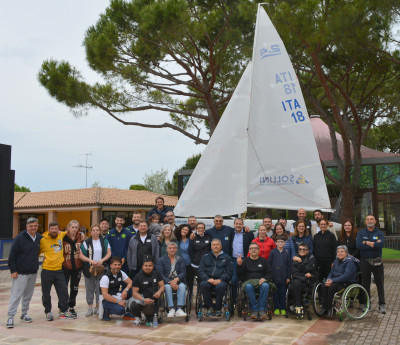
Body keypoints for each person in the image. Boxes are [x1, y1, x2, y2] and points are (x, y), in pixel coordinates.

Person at [6, 217, 43, 328]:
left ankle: (24, 314)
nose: (33, 228)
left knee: (28, 295)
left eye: (35, 226)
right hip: (20, 273)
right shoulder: (19, 238)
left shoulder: (39, 238)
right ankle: (10, 317)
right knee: (16, 295)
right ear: (26, 226)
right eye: (31, 226)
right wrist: (13, 270)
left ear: (37, 226)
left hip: (33, 272)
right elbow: (12, 256)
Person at [40, 222, 75, 320]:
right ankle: (48, 311)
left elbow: (72, 231)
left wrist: (81, 234)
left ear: (58, 229)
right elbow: (37, 251)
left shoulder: (61, 235)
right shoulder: (43, 240)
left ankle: (63, 311)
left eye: (56, 228)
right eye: (52, 229)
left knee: (63, 292)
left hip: (59, 270)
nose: (54, 230)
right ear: (49, 229)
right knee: (46, 292)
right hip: (47, 270)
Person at [79, 224, 111, 317]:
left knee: (99, 288)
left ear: (100, 232)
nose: (96, 232)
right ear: (91, 232)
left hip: (101, 268)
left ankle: (97, 307)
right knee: (90, 288)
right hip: (89, 269)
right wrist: (90, 261)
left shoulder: (105, 241)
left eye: (97, 230)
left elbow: (109, 253)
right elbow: (81, 255)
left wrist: (102, 260)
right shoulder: (86, 242)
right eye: (94, 230)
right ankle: (90, 307)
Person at [356, 214, 386, 314]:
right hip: (365, 261)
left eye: (371, 219)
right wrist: (373, 243)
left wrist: (366, 242)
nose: (369, 221)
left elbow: (380, 245)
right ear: (365, 222)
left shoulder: (379, 233)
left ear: (375, 221)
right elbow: (359, 245)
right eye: (367, 219)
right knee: (366, 283)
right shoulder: (361, 233)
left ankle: (382, 304)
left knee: (380, 283)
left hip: (377, 261)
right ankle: (367, 304)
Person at [198, 238, 233, 317]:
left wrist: (220, 279)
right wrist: (207, 279)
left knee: (220, 287)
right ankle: (209, 307)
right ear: (211, 247)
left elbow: (229, 272)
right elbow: (200, 271)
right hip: (208, 280)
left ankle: (218, 308)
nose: (215, 246)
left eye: (217, 244)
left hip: (221, 280)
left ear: (221, 246)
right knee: (203, 284)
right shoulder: (205, 257)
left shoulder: (227, 258)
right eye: (214, 245)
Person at [321, 245, 358, 318]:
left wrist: (332, 281)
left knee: (332, 287)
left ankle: (330, 309)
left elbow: (346, 276)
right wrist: (328, 280)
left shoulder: (349, 262)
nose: (340, 253)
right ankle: (325, 308)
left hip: (347, 283)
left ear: (346, 253)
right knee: (324, 286)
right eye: (338, 252)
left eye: (342, 252)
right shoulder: (336, 261)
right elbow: (331, 272)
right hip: (336, 282)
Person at [237, 243, 272, 319]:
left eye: (255, 248)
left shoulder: (263, 261)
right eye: (251, 248)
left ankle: (262, 309)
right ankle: (255, 309)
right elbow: (240, 275)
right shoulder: (245, 261)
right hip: (249, 283)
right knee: (248, 286)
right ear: (249, 251)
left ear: (259, 250)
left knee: (266, 285)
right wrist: (239, 265)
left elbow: (270, 273)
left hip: (261, 283)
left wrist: (265, 278)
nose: (253, 250)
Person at [129, 256, 165, 326]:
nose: (148, 267)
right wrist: (143, 300)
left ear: (153, 266)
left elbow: (162, 286)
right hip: (142, 301)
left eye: (150, 266)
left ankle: (146, 315)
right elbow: (134, 293)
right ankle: (138, 317)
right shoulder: (138, 277)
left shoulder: (157, 274)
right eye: (146, 266)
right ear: (142, 266)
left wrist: (159, 292)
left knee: (152, 321)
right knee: (133, 305)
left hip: (153, 302)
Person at [156, 242, 187, 317]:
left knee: (183, 286)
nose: (172, 249)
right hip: (167, 281)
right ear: (167, 249)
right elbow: (160, 274)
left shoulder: (180, 259)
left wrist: (176, 280)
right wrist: (170, 282)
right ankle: (171, 308)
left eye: (174, 248)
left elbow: (183, 273)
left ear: (176, 249)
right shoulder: (161, 260)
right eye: (170, 248)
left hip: (178, 281)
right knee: (166, 287)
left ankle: (179, 308)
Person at [100, 256, 135, 321]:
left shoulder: (121, 273)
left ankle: (127, 312)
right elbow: (105, 295)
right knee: (120, 310)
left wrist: (126, 290)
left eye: (119, 265)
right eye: (115, 265)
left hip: (116, 294)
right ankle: (107, 310)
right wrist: (118, 301)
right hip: (106, 299)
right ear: (110, 265)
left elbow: (131, 282)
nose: (117, 266)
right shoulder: (105, 277)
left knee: (133, 290)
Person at [62, 220, 84, 317]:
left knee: (74, 288)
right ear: (68, 227)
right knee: (63, 287)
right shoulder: (62, 237)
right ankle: (62, 306)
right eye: (72, 227)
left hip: (77, 267)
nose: (74, 229)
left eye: (76, 227)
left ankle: (71, 306)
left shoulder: (81, 237)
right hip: (65, 266)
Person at [289, 242, 317, 318]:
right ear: (298, 250)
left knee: (295, 283)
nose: (302, 251)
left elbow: (309, 268)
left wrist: (299, 263)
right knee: (296, 282)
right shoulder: (295, 258)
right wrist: (303, 276)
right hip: (300, 280)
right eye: (300, 249)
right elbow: (294, 272)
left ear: (307, 251)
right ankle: (298, 306)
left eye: (304, 250)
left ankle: (297, 307)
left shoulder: (311, 258)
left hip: (307, 282)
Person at [232, 218, 254, 304]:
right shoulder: (231, 233)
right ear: (234, 225)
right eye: (236, 224)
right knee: (234, 280)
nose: (238, 225)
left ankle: (246, 299)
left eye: (240, 224)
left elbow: (253, 246)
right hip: (234, 260)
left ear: (243, 225)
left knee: (247, 280)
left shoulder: (249, 233)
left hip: (246, 260)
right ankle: (234, 300)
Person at [268, 235, 291, 316]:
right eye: (278, 242)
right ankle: (276, 308)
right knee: (275, 293)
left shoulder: (287, 253)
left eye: (282, 241)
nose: (280, 243)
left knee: (283, 293)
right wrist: (270, 275)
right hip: (274, 276)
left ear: (284, 243)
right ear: (275, 243)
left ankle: (283, 308)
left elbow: (288, 266)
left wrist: (288, 277)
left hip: (283, 277)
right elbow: (269, 264)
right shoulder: (272, 252)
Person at [188, 222, 212, 295]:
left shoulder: (209, 236)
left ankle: (205, 298)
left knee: (205, 282)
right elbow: (190, 250)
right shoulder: (193, 237)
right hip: (196, 264)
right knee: (200, 281)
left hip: (207, 264)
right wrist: (195, 259)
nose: (200, 229)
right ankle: (200, 299)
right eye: (199, 228)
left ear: (204, 229)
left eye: (202, 228)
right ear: (196, 229)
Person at [175, 224, 192, 297]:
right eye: (183, 229)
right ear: (180, 229)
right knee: (180, 280)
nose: (184, 231)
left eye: (186, 230)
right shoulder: (176, 239)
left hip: (189, 263)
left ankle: (190, 296)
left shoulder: (191, 239)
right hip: (179, 263)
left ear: (188, 232)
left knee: (189, 281)